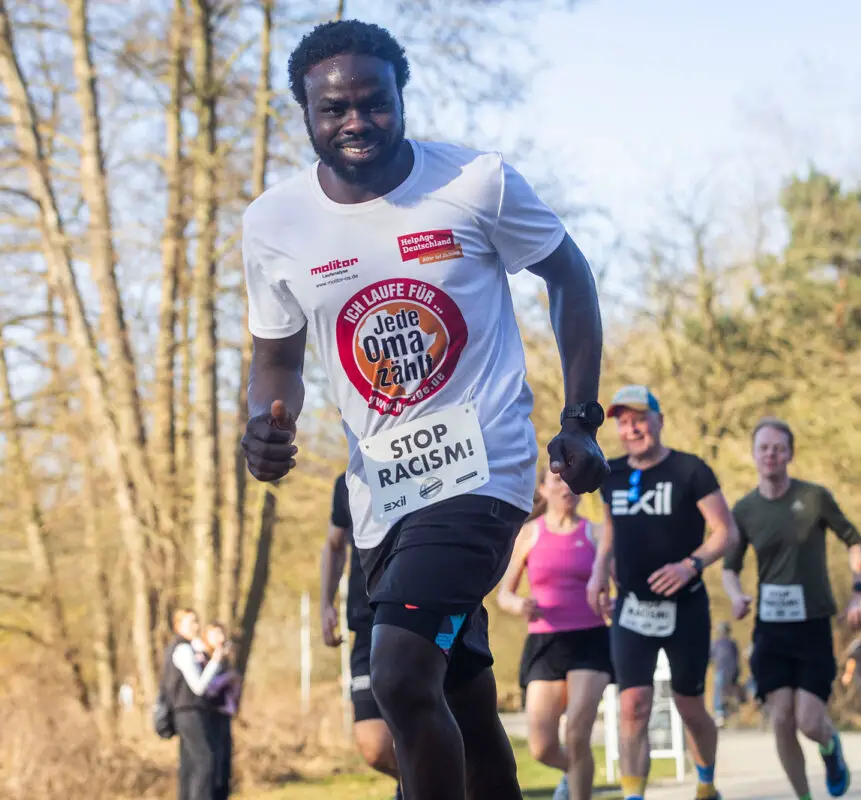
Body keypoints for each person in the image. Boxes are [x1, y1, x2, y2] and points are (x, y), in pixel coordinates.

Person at [238, 19, 609, 800]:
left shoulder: (475, 182)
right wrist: (266, 422)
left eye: (374, 103)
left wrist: (580, 417)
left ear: (402, 97)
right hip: (382, 494)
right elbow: (277, 359)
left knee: (402, 673)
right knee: (464, 708)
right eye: (334, 109)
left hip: (484, 468)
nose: (356, 122)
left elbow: (570, 276)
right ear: (305, 111)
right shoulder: (274, 224)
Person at [589, 385, 739, 800]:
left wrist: (690, 565)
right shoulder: (610, 473)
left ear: (659, 421)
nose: (632, 429)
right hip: (632, 608)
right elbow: (610, 532)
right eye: (624, 422)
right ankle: (634, 795)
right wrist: (598, 572)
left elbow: (726, 532)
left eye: (640, 420)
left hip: (685, 608)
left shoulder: (691, 470)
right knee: (632, 705)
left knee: (689, 705)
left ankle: (706, 783)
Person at [722, 417, 861, 800]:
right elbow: (730, 569)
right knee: (782, 720)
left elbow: (853, 540)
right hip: (770, 629)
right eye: (764, 448)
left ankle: (830, 746)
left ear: (790, 454)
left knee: (808, 721)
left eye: (778, 448)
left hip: (813, 625)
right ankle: (803, 796)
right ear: (754, 454)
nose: (771, 454)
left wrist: (859, 592)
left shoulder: (814, 498)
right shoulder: (744, 510)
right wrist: (736, 596)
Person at [498, 468, 613, 800]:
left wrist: (611, 603)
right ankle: (574, 775)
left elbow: (619, 588)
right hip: (545, 642)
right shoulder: (528, 534)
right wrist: (520, 605)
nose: (567, 487)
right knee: (541, 746)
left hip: (590, 639)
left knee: (577, 733)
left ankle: (579, 792)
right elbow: (504, 594)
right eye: (558, 480)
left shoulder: (596, 533)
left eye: (573, 481)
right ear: (543, 488)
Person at [319, 471, 402, 799]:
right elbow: (334, 544)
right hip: (366, 623)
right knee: (374, 746)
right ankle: (426, 784)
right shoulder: (347, 482)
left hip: (420, 616)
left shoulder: (426, 460)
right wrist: (326, 603)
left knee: (426, 721)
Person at [162, 608, 234, 800]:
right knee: (205, 761)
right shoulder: (183, 649)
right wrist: (215, 661)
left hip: (186, 712)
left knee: (189, 765)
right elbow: (199, 686)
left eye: (196, 621)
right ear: (178, 626)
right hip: (189, 711)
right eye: (191, 622)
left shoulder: (185, 648)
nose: (196, 626)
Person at [709, 622, 740, 728]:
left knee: (721, 691)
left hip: (728, 673)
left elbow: (736, 659)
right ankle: (721, 713)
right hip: (725, 672)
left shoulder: (730, 644)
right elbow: (711, 657)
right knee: (720, 691)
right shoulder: (717, 644)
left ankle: (722, 713)